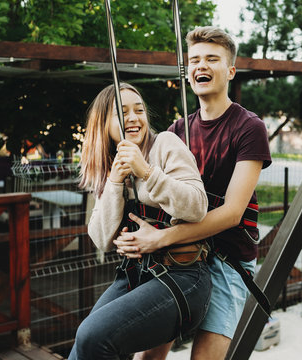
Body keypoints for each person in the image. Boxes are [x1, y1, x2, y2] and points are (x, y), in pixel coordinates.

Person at [114, 27, 272, 360]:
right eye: (195, 60)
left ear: (230, 70)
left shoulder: (249, 128)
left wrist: (162, 238)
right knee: (149, 356)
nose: (202, 65)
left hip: (226, 257)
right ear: (188, 75)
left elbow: (232, 212)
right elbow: (156, 193)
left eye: (212, 59)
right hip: (180, 254)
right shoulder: (176, 131)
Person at [68, 82, 212, 360]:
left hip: (183, 276)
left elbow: (197, 206)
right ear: (104, 125)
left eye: (139, 110)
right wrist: (114, 182)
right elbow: (100, 239)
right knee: (82, 342)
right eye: (122, 113)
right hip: (137, 275)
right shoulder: (113, 165)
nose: (134, 118)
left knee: (93, 336)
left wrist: (146, 172)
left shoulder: (166, 144)